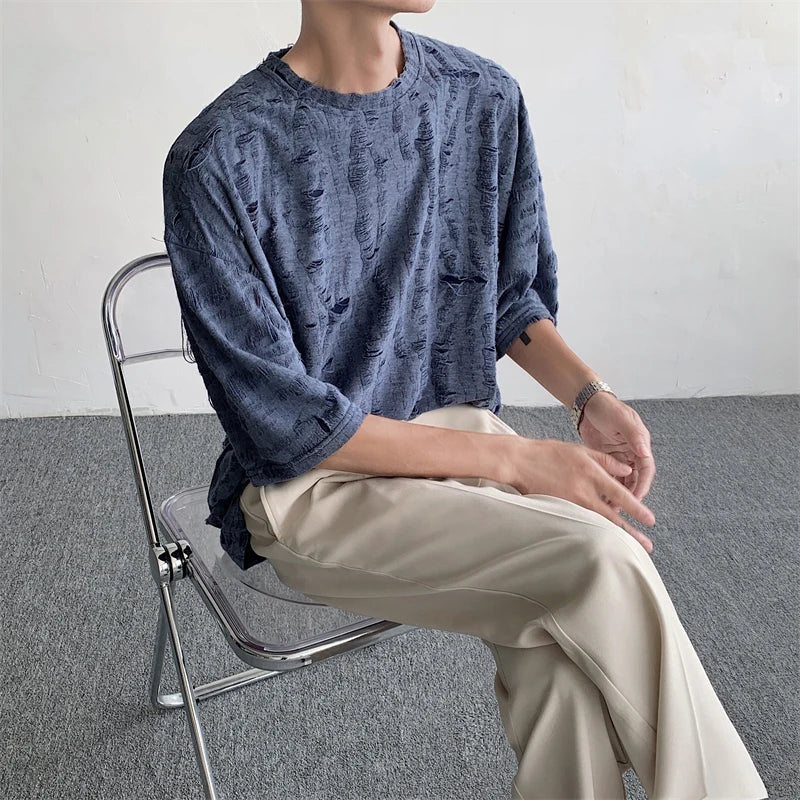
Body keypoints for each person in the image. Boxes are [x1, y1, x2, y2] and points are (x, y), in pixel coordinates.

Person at [161, 1, 769, 797]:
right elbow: (288, 426)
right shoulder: (220, 155)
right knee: (601, 563)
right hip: (310, 489)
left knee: (560, 655)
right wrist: (515, 462)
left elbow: (507, 298)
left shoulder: (482, 97)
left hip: (457, 442)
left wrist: (590, 398)